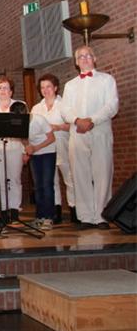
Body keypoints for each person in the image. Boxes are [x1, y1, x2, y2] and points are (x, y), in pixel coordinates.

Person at [61, 45, 119, 230]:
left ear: (94, 59)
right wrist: (78, 120)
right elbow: (65, 110)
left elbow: (112, 105)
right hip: (77, 132)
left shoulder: (107, 80)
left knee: (103, 172)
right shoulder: (70, 85)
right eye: (81, 57)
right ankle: (85, 216)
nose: (85, 59)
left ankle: (101, 216)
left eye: (88, 55)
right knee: (80, 174)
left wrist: (92, 120)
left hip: (100, 130)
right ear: (76, 63)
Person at [31, 74, 76, 224]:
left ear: (55, 87)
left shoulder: (64, 105)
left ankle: (74, 210)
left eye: (48, 87)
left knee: (69, 178)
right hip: (44, 149)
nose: (45, 90)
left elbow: (73, 125)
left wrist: (59, 127)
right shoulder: (36, 108)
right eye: (42, 87)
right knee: (51, 181)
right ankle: (55, 211)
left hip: (63, 145)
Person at [0, 76, 25, 222]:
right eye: (0, 88)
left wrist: (25, 150)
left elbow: (24, 128)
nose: (3, 91)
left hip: (15, 146)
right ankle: (4, 210)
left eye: (6, 88)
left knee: (14, 179)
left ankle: (14, 210)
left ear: (11, 91)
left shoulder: (20, 105)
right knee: (1, 180)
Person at [25, 107, 57, 230]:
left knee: (47, 184)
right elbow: (23, 138)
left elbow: (51, 138)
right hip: (35, 154)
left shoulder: (39, 119)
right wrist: (27, 146)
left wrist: (36, 148)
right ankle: (40, 217)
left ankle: (49, 217)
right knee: (38, 186)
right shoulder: (19, 122)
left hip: (48, 152)